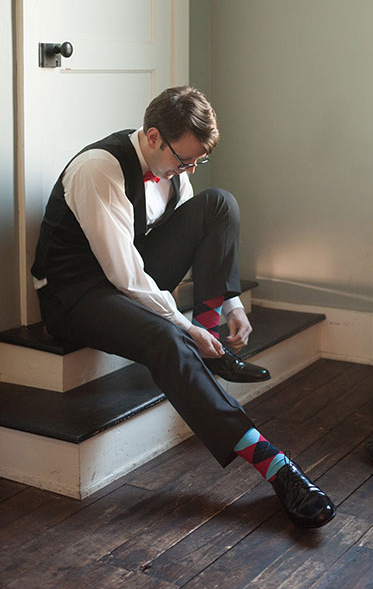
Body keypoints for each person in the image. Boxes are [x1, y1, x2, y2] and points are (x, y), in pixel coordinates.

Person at [31, 86, 336, 528]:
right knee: (165, 334)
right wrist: (182, 324)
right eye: (183, 160)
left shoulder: (173, 168)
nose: (188, 169)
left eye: (196, 162)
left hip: (124, 277)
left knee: (219, 204)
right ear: (153, 137)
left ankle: (209, 342)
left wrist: (230, 304)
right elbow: (125, 275)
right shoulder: (99, 169)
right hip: (74, 294)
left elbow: (176, 242)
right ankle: (275, 466)